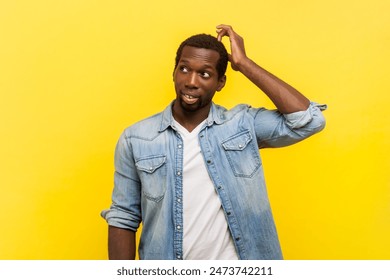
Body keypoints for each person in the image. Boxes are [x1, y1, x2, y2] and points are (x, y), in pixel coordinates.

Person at [101, 24, 326, 260]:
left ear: (221, 82)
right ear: (174, 72)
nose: (191, 81)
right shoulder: (137, 138)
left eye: (205, 74)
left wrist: (245, 64)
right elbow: (123, 217)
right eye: (184, 69)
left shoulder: (242, 124)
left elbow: (309, 121)